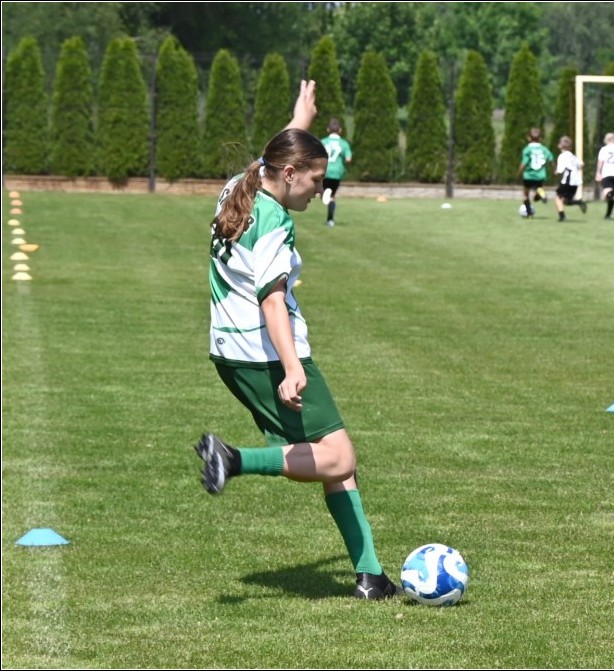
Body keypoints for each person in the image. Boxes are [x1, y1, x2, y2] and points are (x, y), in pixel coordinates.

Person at [196, 80, 398, 601]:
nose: (318, 188)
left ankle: (370, 574)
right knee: (337, 457)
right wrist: (291, 366)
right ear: (289, 175)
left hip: (230, 351)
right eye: (315, 179)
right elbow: (271, 299)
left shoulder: (240, 185)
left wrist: (297, 120)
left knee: (324, 451)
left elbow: (275, 155)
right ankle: (233, 459)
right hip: (266, 352)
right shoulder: (274, 221)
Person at [320, 118, 352, 227]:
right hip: (337, 173)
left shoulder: (323, 142)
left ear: (328, 129)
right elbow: (348, 159)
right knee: (332, 196)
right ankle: (330, 220)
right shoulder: (344, 144)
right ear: (340, 130)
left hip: (325, 171)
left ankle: (324, 196)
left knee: (325, 194)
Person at [517, 127, 554, 218]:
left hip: (529, 175)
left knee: (525, 194)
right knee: (537, 188)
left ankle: (529, 213)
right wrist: (554, 169)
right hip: (540, 175)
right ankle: (541, 192)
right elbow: (551, 158)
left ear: (528, 138)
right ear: (541, 138)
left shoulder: (527, 150)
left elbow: (524, 163)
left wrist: (519, 173)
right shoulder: (544, 149)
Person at [553, 135, 587, 222]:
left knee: (557, 198)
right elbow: (582, 164)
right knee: (565, 201)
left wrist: (556, 172)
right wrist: (577, 169)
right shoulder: (572, 156)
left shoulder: (562, 156)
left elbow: (560, 170)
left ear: (559, 145)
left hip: (568, 180)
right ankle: (579, 202)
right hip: (576, 181)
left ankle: (562, 217)